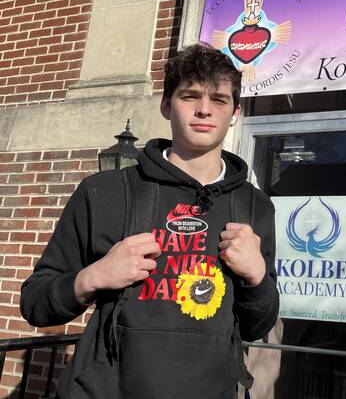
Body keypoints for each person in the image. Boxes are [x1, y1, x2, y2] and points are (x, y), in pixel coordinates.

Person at [20, 44, 279, 399]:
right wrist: (93, 276)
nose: (204, 109)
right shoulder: (105, 191)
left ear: (235, 112)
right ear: (166, 105)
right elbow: (35, 303)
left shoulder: (255, 206)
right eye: (190, 96)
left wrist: (257, 277)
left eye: (219, 100)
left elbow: (257, 326)